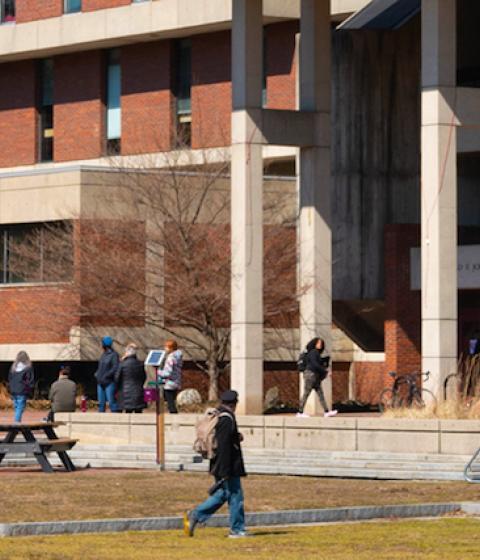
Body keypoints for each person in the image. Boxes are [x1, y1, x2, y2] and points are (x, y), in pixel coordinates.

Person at [184, 390, 248, 538]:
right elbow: (225, 446)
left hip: (219, 463)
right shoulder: (227, 419)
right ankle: (237, 529)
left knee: (222, 494)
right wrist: (225, 471)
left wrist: (236, 437)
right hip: (227, 465)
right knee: (236, 496)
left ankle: (196, 515)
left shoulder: (219, 415)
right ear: (234, 404)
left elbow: (223, 439)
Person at [297, 337, 338, 418]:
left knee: (320, 394)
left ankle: (326, 411)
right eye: (318, 343)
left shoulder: (315, 353)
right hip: (311, 375)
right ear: (314, 343)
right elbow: (315, 364)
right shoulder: (313, 352)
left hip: (314, 375)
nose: (320, 345)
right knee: (307, 393)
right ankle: (300, 412)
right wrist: (325, 371)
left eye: (321, 343)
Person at [115, 343, 146, 413]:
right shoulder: (140, 364)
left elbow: (117, 378)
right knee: (138, 413)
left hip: (125, 393)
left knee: (128, 412)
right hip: (138, 392)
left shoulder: (122, 364)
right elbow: (144, 377)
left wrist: (117, 388)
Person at [94, 336, 120, 413]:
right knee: (101, 403)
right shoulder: (103, 354)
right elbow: (100, 367)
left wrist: (106, 375)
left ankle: (116, 417)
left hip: (109, 382)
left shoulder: (114, 355)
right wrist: (97, 374)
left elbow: (115, 368)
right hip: (100, 381)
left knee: (111, 401)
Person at [8, 350, 35, 423]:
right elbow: (29, 379)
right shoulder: (28, 368)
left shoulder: (13, 368)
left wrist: (10, 387)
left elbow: (10, 378)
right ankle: (16, 423)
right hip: (22, 390)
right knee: (20, 407)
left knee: (17, 407)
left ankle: (17, 421)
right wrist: (30, 388)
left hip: (13, 390)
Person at [158, 339, 182, 414]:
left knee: (170, 402)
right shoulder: (178, 357)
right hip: (176, 381)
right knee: (172, 400)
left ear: (171, 348)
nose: (165, 349)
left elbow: (167, 372)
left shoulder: (170, 358)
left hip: (170, 382)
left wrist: (158, 372)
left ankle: (173, 415)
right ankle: (173, 413)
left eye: (166, 347)